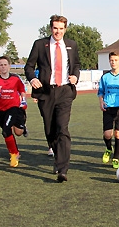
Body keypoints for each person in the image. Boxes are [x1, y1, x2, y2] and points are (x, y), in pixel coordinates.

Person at [24, 14, 81, 182]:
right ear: (51, 28)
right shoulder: (40, 44)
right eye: (55, 28)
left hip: (65, 91)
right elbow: (29, 66)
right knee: (50, 130)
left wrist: (75, 76)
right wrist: (32, 78)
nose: (58, 31)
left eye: (61, 28)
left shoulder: (72, 45)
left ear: (65, 29)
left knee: (62, 128)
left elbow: (76, 64)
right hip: (46, 92)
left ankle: (63, 169)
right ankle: (57, 156)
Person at [0, 56, 28, 167]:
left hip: (14, 108)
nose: (3, 67)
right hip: (0, 111)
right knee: (15, 132)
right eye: (1, 65)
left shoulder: (15, 79)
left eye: (5, 64)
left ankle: (14, 154)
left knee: (6, 130)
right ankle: (21, 130)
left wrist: (23, 101)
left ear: (9, 66)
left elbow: (22, 91)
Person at [98, 51, 119, 169]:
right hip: (108, 108)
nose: (113, 62)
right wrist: (101, 102)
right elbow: (100, 92)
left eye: (116, 60)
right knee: (108, 134)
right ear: (109, 61)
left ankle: (116, 158)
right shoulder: (105, 77)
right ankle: (108, 148)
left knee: (118, 134)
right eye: (111, 60)